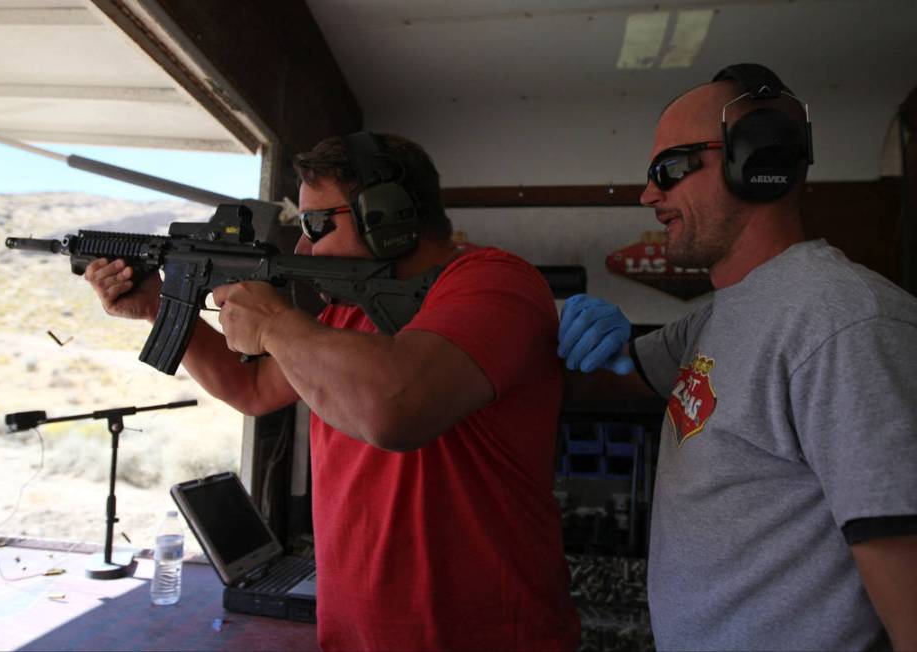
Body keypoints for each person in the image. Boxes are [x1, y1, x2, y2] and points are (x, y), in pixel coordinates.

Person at [84, 132, 580, 651]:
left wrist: (275, 321)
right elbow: (252, 388)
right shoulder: (349, 308)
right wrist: (159, 306)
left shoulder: (493, 282)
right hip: (358, 632)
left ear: (387, 215)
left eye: (317, 226)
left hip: (484, 635)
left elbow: (397, 410)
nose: (303, 247)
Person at [557, 64, 917, 650]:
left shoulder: (844, 323)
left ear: (754, 163)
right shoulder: (723, 313)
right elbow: (608, 381)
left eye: (667, 170)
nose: (650, 195)